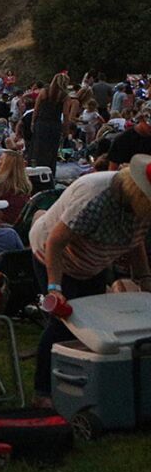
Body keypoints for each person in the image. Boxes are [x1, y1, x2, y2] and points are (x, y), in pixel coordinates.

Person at [30, 158, 151, 404]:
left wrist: (145, 278)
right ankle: (43, 391)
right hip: (55, 257)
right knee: (65, 323)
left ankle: (95, 380)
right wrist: (55, 288)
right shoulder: (95, 198)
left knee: (97, 325)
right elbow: (56, 241)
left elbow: (135, 240)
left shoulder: (140, 209)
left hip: (93, 263)